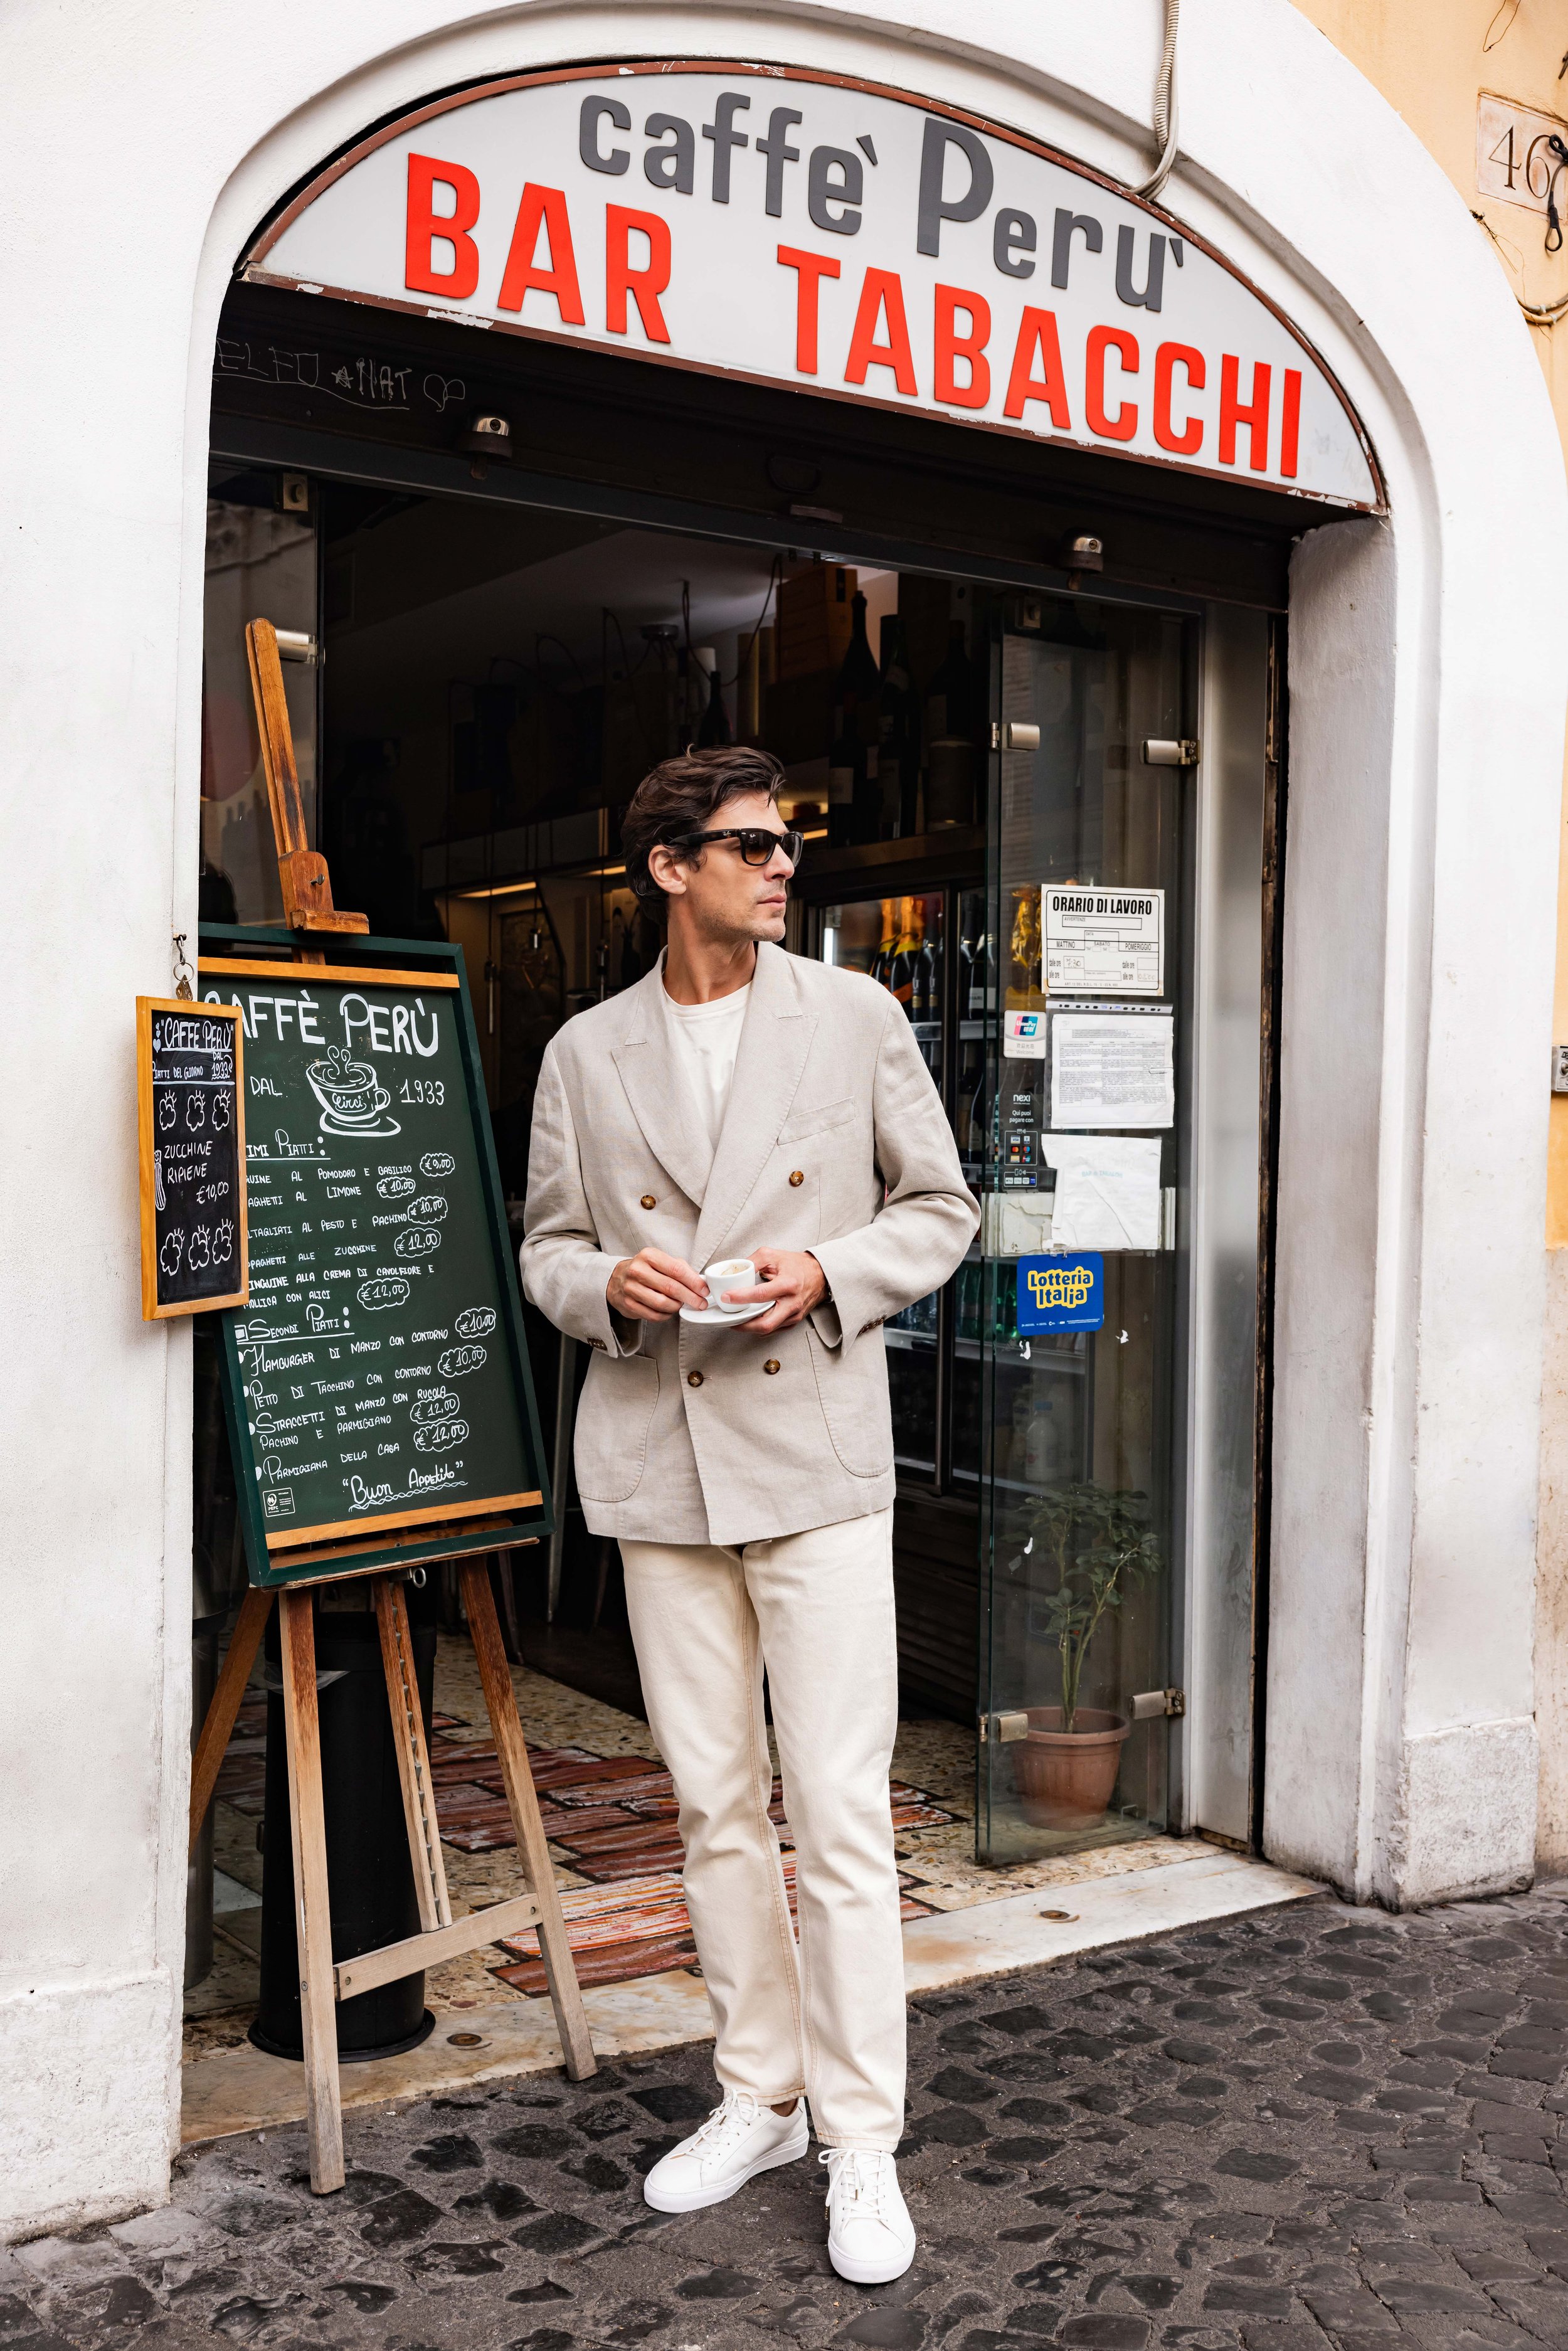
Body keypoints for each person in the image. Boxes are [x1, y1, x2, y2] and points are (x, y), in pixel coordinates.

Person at [520, 743, 978, 2285]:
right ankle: (753, 2094)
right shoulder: (589, 1050)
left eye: (789, 844)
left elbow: (941, 1204)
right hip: (659, 1456)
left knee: (839, 1815)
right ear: (670, 867)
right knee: (713, 1808)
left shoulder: (853, 1015)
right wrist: (609, 1288)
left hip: (811, 1453)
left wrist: (829, 1272)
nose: (784, 867)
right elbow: (547, 1247)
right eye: (753, 844)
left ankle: (861, 2138)